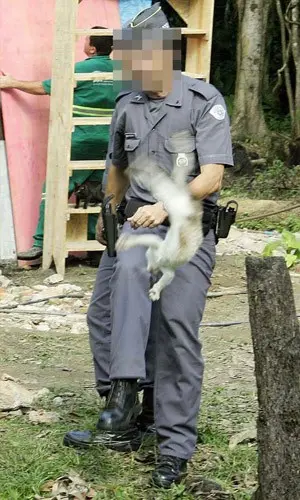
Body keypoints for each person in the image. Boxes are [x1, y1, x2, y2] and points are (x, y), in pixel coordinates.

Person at [65, 20, 234, 489]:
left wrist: (164, 206)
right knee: (104, 313)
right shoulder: (128, 104)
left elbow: (212, 177)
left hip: (184, 226)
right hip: (134, 224)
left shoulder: (204, 100)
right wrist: (107, 210)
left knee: (175, 327)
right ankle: (124, 411)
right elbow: (118, 166)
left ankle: (172, 442)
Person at [0, 27, 116, 263]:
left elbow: (42, 88)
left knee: (54, 189)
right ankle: (97, 249)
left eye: (85, 41)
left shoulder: (79, 69)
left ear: (92, 48)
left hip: (81, 140)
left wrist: (12, 82)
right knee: (98, 192)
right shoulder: (124, 73)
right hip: (110, 142)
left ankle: (40, 244)